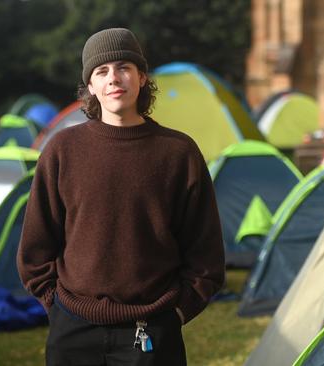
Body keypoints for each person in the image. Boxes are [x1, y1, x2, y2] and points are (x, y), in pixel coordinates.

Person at [17, 28, 225, 366]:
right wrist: (55, 305)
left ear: (142, 77)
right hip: (73, 329)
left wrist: (177, 312)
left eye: (123, 67)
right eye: (102, 71)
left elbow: (205, 251)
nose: (114, 78)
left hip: (153, 330)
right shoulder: (61, 150)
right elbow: (36, 244)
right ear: (91, 87)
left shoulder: (178, 152)